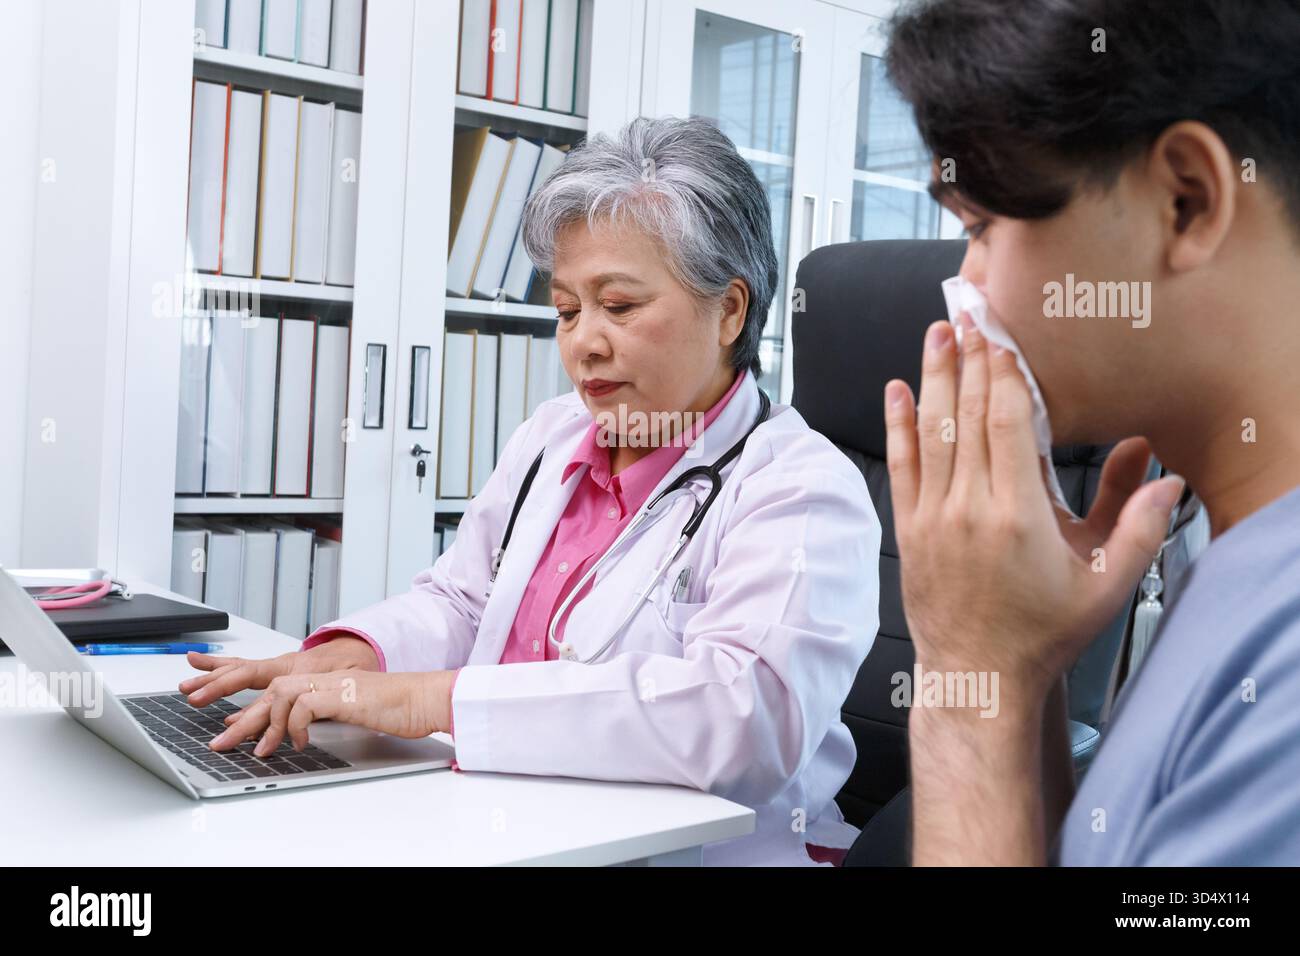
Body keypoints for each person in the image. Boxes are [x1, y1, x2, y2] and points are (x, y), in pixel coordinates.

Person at [180, 116, 882, 866]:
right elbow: (464, 599)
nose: (584, 341)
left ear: (730, 310)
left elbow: (746, 721)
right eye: (568, 310)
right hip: (500, 815)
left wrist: (431, 700)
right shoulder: (552, 435)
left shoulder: (799, 488)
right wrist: (357, 654)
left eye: (619, 306)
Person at [880, 0, 1300, 864]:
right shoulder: (1225, 549)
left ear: (1186, 200)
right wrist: (1019, 670)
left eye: (981, 227)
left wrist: (970, 686)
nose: (967, 283)